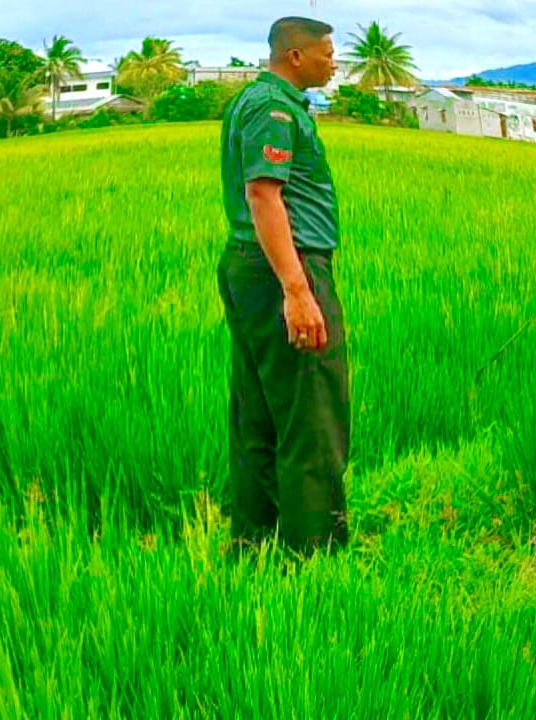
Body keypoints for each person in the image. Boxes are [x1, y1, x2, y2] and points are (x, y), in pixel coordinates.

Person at [217, 17, 349, 553]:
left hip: (251, 267)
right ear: (296, 57)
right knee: (312, 412)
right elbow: (264, 197)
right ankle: (313, 553)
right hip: (284, 269)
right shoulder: (273, 109)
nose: (333, 61)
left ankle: (254, 542)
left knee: (259, 411)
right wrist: (298, 291)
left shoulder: (257, 101)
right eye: (326, 53)